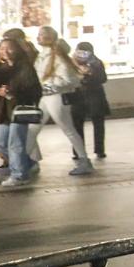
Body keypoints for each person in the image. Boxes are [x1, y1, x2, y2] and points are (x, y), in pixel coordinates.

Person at [34, 28, 94, 176]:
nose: (38, 37)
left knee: (68, 129)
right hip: (46, 96)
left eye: (42, 35)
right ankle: (27, 161)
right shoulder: (42, 56)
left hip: (56, 97)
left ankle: (84, 160)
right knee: (32, 128)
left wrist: (47, 86)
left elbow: (69, 80)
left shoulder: (57, 58)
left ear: (49, 38)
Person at [0, 39, 42, 187]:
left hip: (19, 110)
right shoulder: (1, 68)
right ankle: (27, 163)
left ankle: (19, 175)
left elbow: (33, 90)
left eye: (9, 48)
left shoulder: (25, 67)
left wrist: (10, 93)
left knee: (16, 144)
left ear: (17, 50)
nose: (5, 51)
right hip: (4, 111)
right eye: (2, 48)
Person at [69, 42, 110, 160]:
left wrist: (86, 76)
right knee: (95, 124)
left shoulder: (94, 63)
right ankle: (97, 150)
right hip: (93, 96)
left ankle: (79, 151)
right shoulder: (94, 62)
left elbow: (102, 78)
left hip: (86, 96)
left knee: (80, 125)